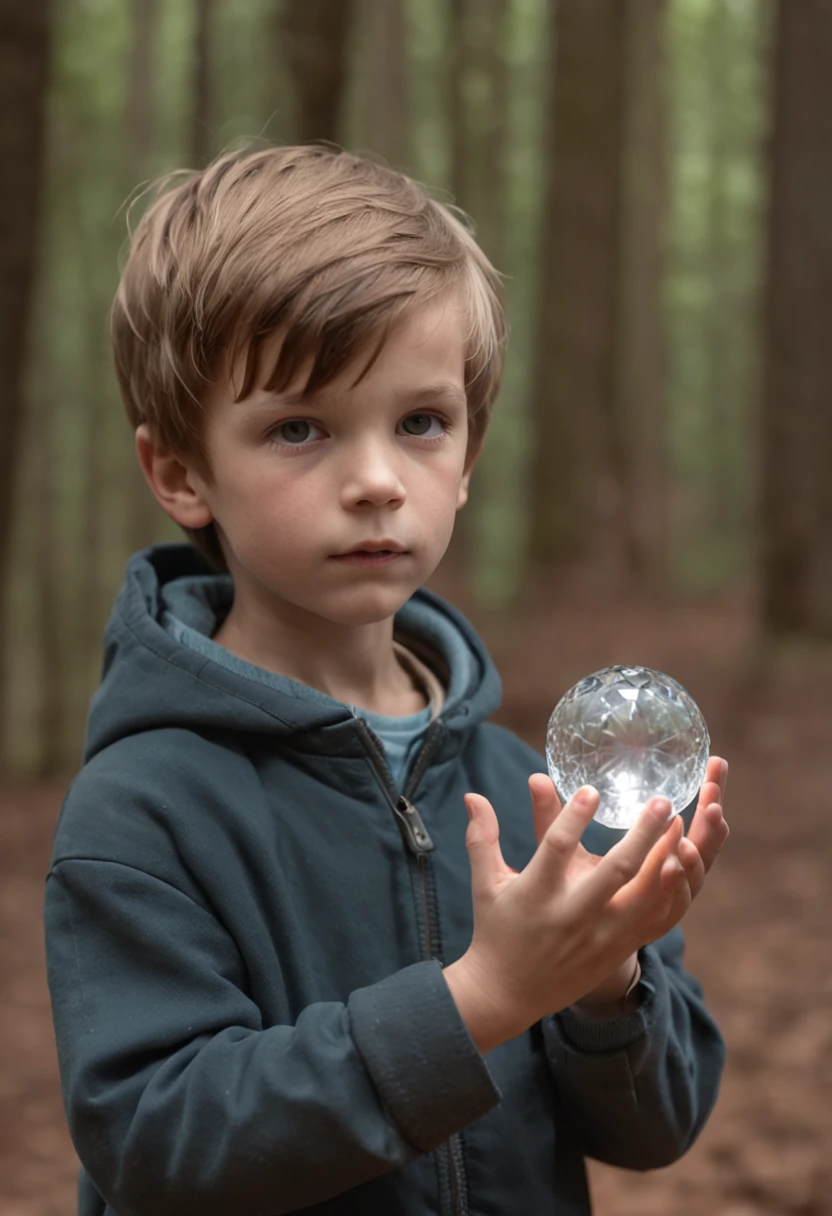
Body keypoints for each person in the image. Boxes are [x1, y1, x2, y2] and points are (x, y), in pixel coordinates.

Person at [44, 143, 730, 1216]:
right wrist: (484, 999)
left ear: (466, 458)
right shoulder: (145, 806)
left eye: (420, 422)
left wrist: (603, 978)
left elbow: (655, 1130)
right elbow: (156, 1141)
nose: (374, 482)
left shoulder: (532, 795)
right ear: (181, 472)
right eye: (299, 428)